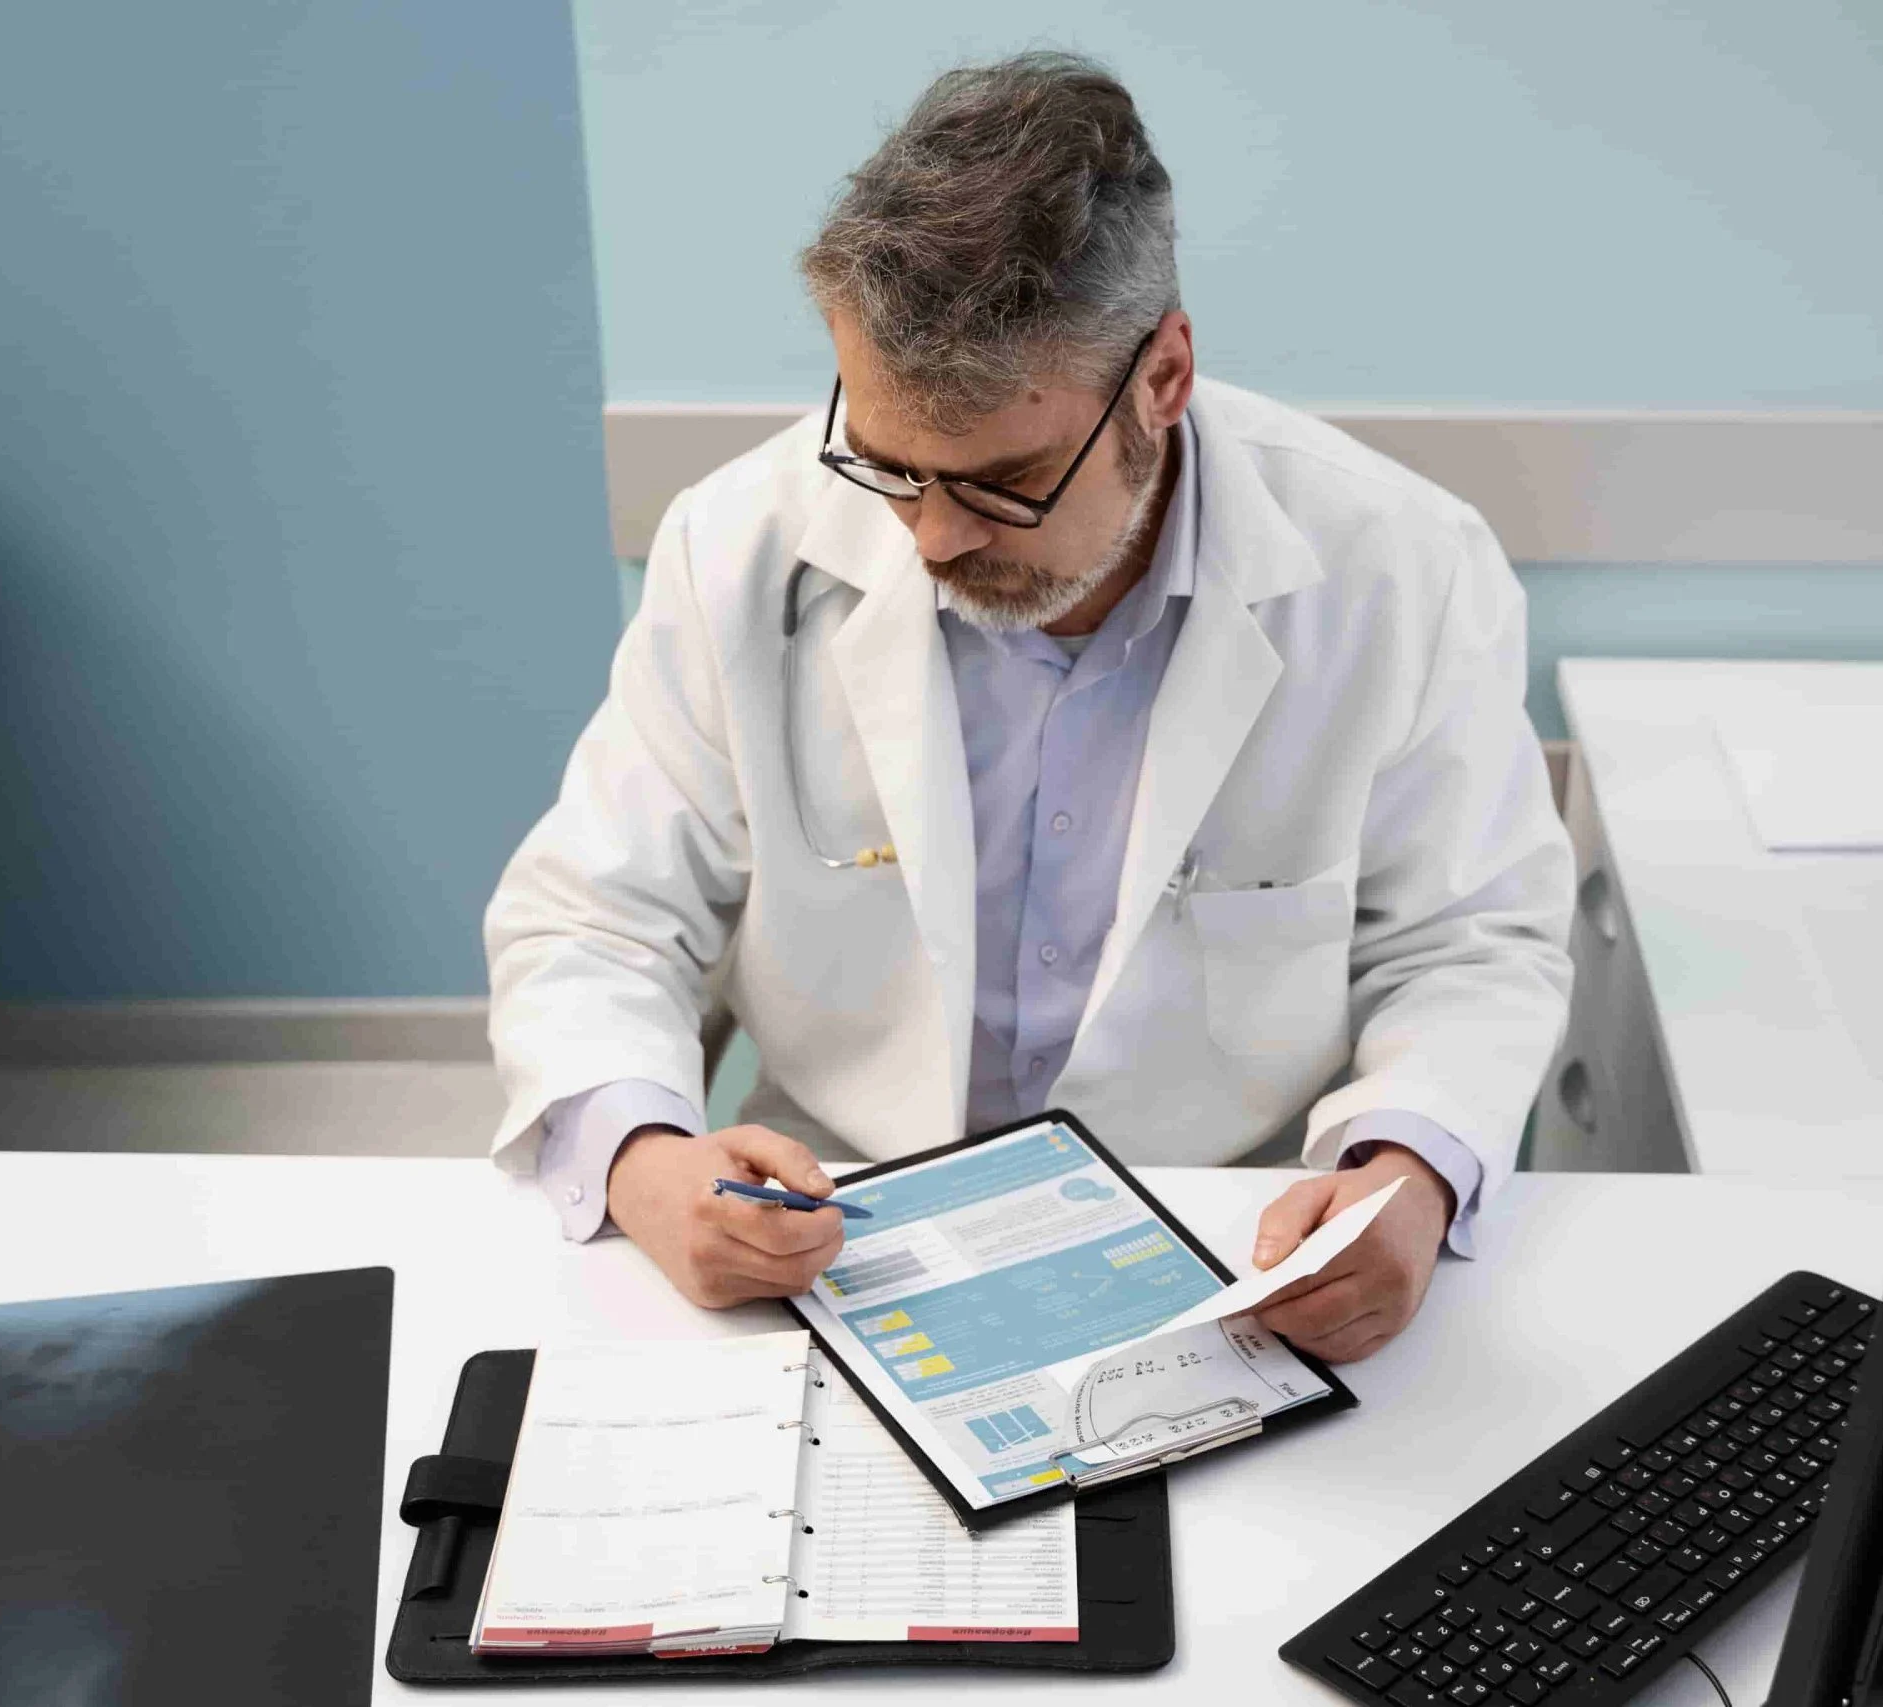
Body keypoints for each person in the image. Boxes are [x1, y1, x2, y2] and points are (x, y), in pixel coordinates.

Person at [485, 52, 1571, 1363]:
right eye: (885, 464)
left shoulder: (1401, 569)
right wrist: (645, 1156)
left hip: (1225, 1236)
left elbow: (1472, 944)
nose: (931, 538)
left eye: (1001, 482)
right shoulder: (740, 546)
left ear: (1162, 381)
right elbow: (595, 918)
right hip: (837, 1224)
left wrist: (1409, 1170)